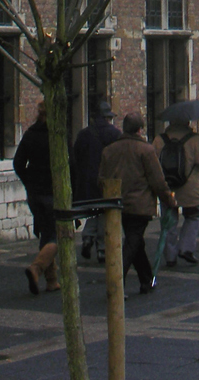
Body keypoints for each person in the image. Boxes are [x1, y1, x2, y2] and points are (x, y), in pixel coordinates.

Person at [98, 112, 177, 293]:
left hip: (116, 203)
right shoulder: (146, 150)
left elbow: (101, 179)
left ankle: (146, 279)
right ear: (140, 130)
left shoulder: (109, 150)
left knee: (136, 242)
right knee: (133, 242)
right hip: (139, 204)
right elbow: (157, 180)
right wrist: (168, 199)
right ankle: (117, 282)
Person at [13, 100, 60, 294]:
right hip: (53, 192)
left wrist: (29, 182)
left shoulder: (30, 135)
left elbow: (18, 163)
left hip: (35, 194)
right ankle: (36, 268)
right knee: (59, 237)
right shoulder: (58, 135)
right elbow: (71, 164)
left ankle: (52, 280)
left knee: (46, 234)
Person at [152, 118, 199, 267]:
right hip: (189, 188)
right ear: (187, 122)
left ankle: (170, 256)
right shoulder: (195, 139)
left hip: (167, 187)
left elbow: (152, 161)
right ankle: (186, 248)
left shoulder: (160, 139)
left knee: (169, 221)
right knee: (193, 216)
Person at [73, 100, 121, 262]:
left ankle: (88, 236)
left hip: (87, 180)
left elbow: (76, 157)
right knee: (104, 211)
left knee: (95, 210)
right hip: (108, 180)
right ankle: (102, 248)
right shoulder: (115, 134)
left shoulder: (83, 134)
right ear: (107, 118)